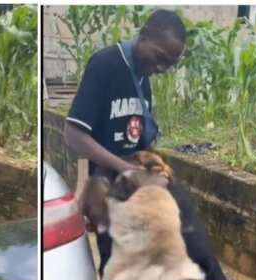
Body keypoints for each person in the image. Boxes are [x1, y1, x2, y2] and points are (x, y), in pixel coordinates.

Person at [64, 9, 186, 183]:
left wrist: (156, 167)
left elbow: (138, 140)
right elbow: (73, 135)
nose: (162, 68)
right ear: (143, 37)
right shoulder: (105, 64)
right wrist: (124, 168)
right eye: (160, 57)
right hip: (99, 180)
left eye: (169, 64)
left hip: (127, 178)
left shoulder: (143, 78)